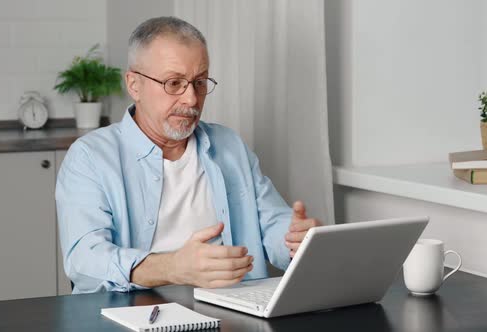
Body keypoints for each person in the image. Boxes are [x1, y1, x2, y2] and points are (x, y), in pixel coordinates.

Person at [56, 16, 321, 294]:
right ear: (134, 85)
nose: (191, 99)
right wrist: (172, 267)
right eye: (173, 83)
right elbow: (84, 259)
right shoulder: (90, 157)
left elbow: (273, 226)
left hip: (232, 310)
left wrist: (296, 240)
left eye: (200, 82)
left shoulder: (229, 146)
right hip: (134, 313)